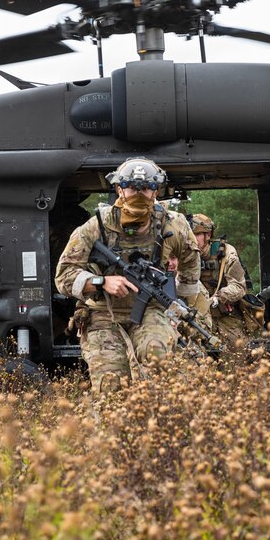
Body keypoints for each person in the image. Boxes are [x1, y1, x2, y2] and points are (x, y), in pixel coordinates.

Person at [55, 158, 200, 393]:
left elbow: (190, 269)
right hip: (103, 313)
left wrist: (180, 309)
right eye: (132, 188)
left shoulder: (173, 225)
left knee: (159, 363)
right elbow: (63, 277)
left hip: (152, 309)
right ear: (119, 189)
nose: (139, 195)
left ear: (156, 190)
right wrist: (101, 282)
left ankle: (159, 423)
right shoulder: (96, 227)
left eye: (146, 188)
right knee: (110, 383)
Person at [190, 213, 251, 347]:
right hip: (194, 317)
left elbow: (239, 287)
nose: (191, 239)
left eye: (196, 234)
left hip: (225, 317)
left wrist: (218, 297)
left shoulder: (225, 253)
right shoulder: (182, 254)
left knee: (237, 350)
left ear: (208, 235)